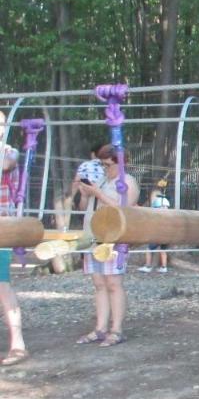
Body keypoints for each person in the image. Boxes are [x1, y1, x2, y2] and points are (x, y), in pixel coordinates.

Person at [75, 144, 139, 347]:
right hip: (93, 237)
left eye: (108, 165)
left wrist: (98, 193)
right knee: (99, 284)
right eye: (102, 165)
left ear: (121, 164)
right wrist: (85, 194)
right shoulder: (101, 181)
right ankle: (100, 328)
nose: (105, 169)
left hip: (114, 239)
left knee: (113, 284)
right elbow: (83, 208)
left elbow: (125, 210)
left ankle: (116, 329)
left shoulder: (128, 182)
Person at [1, 146, 28, 366]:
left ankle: (17, 345)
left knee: (2, 285)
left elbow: (7, 164)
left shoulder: (7, 151)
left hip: (2, 228)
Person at [138, 179, 171, 273]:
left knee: (149, 249)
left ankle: (148, 266)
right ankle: (164, 267)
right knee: (163, 250)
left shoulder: (156, 207)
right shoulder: (166, 207)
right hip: (166, 234)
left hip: (158, 234)